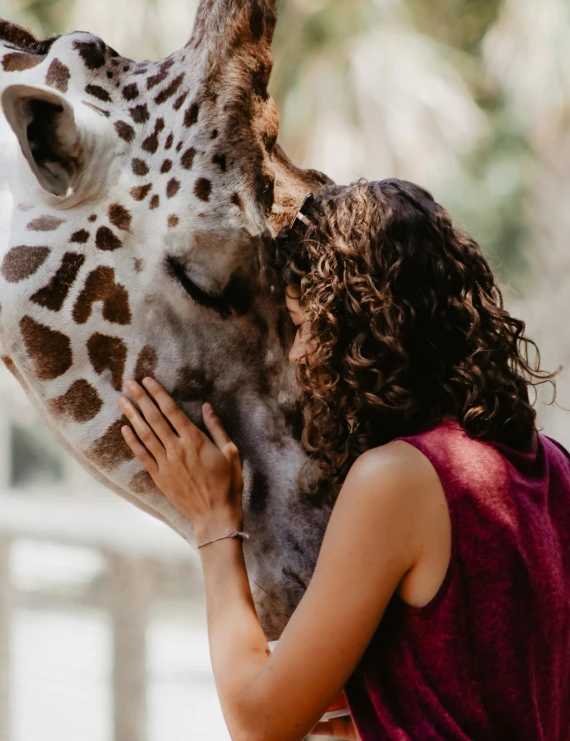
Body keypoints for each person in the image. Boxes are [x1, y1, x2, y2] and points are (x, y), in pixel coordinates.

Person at [117, 179, 570, 741]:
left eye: (304, 323)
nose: (300, 353)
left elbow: (258, 724)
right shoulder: (551, 466)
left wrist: (213, 523)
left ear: (362, 325)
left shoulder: (400, 479)